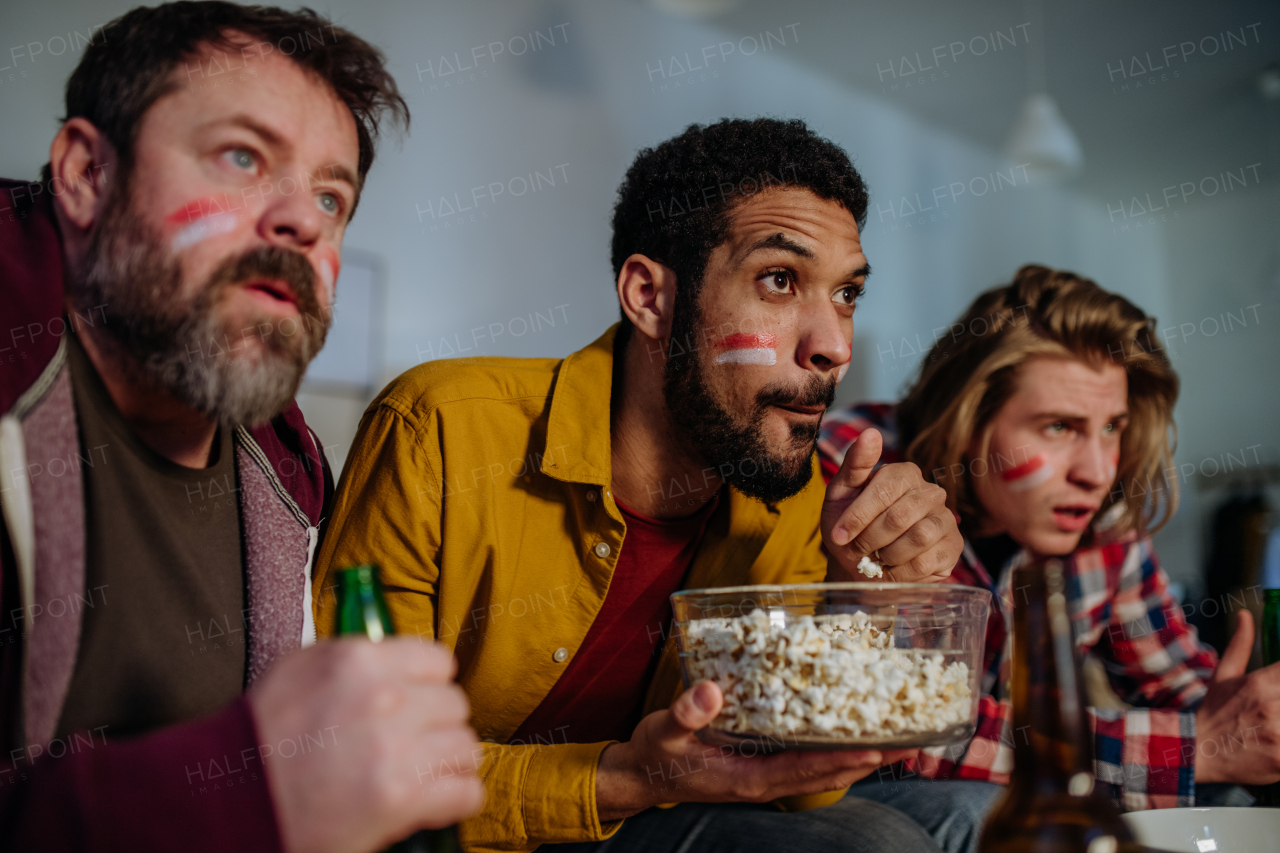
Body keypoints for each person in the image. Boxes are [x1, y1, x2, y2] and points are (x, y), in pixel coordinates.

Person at [314, 117, 964, 853]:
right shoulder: (440, 429)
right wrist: (631, 777)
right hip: (451, 832)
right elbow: (361, 767)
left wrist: (857, 597)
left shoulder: (791, 493)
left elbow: (802, 783)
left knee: (948, 821)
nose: (836, 346)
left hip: (645, 823)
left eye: (847, 293)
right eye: (779, 281)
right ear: (650, 297)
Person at [0, 4, 482, 851]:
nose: (302, 220)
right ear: (85, 173)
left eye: (332, 196)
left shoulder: (291, 470)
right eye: (241, 156)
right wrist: (254, 791)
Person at [818, 265, 1266, 853]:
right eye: (1060, 427)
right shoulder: (849, 468)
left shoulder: (1099, 512)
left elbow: (1180, 686)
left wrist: (1248, 721)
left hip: (1001, 776)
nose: (1099, 470)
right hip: (843, 782)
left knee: (1234, 801)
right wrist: (1190, 749)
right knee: (977, 815)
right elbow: (906, 734)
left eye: (1112, 428)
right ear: (969, 417)